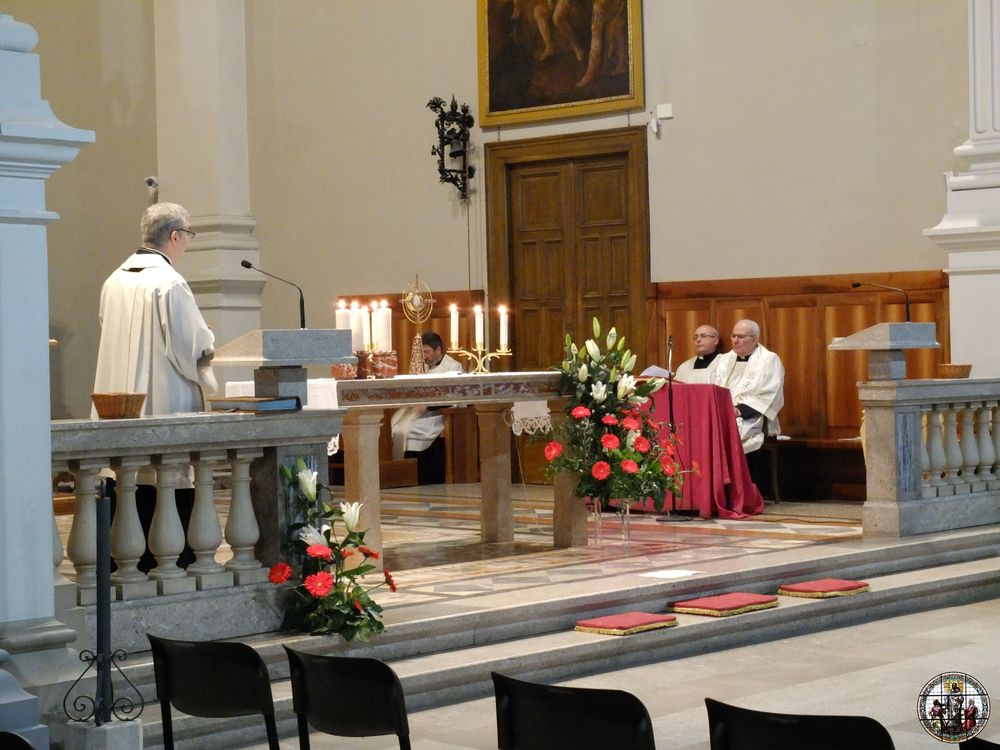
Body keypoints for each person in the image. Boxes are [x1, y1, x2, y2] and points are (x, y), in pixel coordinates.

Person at [94, 202, 216, 571]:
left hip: (117, 403)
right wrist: (208, 344)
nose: (188, 242)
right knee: (164, 474)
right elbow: (190, 346)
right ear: (174, 236)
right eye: (189, 235)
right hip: (163, 399)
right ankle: (170, 560)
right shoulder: (170, 282)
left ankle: (123, 562)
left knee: (126, 476)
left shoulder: (114, 280)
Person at [713, 319, 784, 492]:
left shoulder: (769, 360)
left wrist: (738, 411)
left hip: (750, 416)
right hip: (723, 414)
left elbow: (770, 394)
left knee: (739, 430)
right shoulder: (723, 360)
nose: (735, 340)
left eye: (741, 336)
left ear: (755, 339)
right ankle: (715, 489)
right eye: (733, 336)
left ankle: (740, 490)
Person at [391, 331, 464, 485]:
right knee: (394, 426)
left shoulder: (453, 366)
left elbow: (454, 397)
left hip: (439, 415)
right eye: (422, 352)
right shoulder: (423, 366)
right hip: (420, 412)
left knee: (410, 430)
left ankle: (421, 475)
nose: (424, 356)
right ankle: (403, 474)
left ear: (438, 350)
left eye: (427, 352)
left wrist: (428, 406)